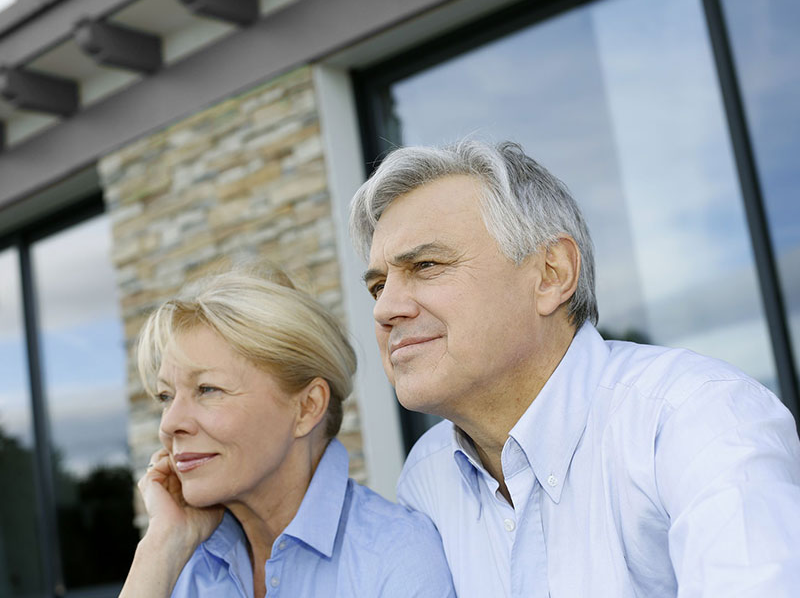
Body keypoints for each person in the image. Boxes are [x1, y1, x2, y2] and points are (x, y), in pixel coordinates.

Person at [349, 140, 800, 597]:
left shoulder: (698, 418)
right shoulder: (426, 477)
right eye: (379, 286)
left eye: (426, 265)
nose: (385, 309)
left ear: (551, 273)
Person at [119, 266, 455, 598]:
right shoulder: (181, 562)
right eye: (166, 396)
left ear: (307, 407)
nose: (169, 424)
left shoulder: (397, 559)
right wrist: (160, 547)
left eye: (208, 389)